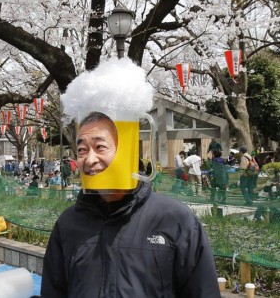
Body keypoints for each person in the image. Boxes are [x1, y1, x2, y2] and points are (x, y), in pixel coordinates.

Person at [40, 112, 220, 297]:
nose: (90, 159)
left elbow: (203, 291)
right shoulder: (68, 223)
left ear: (127, 151)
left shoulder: (175, 219)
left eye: (100, 147)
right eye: (82, 150)